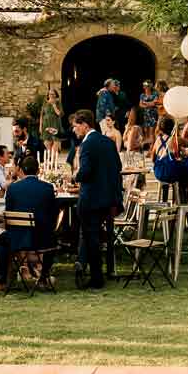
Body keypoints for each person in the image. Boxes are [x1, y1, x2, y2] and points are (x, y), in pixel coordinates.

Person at [73, 109, 122, 288]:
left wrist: (74, 177)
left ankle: (96, 277)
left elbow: (85, 172)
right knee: (92, 236)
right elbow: (118, 165)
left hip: (91, 198)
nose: (74, 130)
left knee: (90, 237)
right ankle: (85, 264)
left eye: (76, 126)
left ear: (85, 125)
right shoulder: (107, 142)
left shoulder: (87, 145)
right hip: (107, 198)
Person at [0, 153, 57, 287]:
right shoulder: (47, 188)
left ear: (22, 170)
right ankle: (43, 277)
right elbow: (52, 214)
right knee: (53, 237)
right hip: (42, 239)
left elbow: (9, 213)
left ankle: (2, 280)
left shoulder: (13, 188)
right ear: (38, 170)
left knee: (2, 239)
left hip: (18, 239)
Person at [152, 118, 188, 203]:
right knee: (186, 173)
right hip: (171, 172)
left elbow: (153, 158)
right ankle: (183, 199)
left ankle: (166, 200)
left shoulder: (157, 140)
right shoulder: (176, 139)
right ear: (173, 128)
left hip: (158, 172)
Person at [41, 90, 64, 161]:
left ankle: (53, 163)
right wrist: (40, 126)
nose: (51, 95)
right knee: (47, 146)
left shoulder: (58, 102)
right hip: (46, 125)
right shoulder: (45, 103)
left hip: (55, 125)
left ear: (56, 95)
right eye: (50, 94)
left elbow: (60, 114)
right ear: (48, 95)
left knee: (55, 145)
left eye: (53, 94)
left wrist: (54, 105)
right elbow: (41, 115)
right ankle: (50, 163)